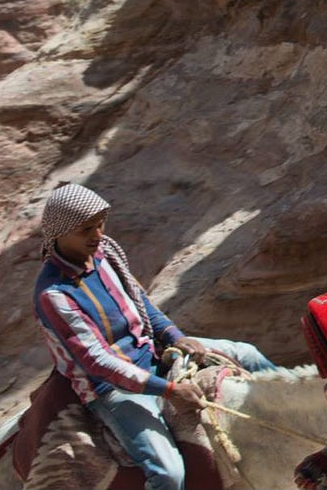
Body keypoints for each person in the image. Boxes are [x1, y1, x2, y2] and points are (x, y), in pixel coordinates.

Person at [33, 183, 277, 490]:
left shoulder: (104, 253)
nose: (97, 235)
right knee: (168, 474)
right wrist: (169, 389)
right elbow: (97, 362)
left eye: (99, 225)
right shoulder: (53, 294)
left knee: (247, 353)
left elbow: (141, 303)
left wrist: (174, 336)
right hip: (112, 388)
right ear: (60, 232)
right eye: (86, 230)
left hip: (151, 351)